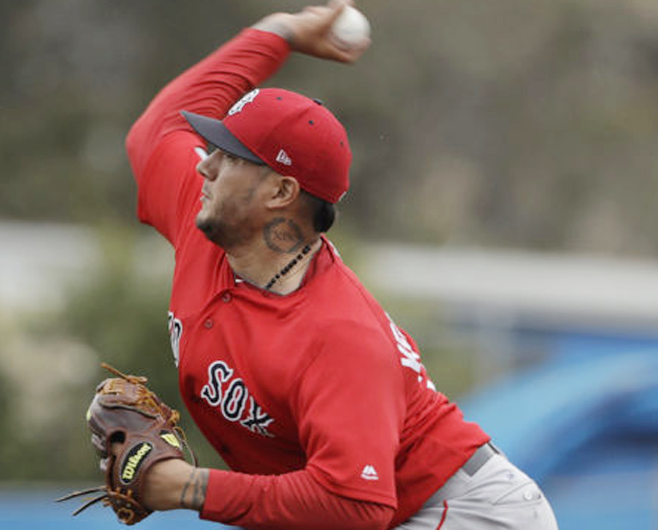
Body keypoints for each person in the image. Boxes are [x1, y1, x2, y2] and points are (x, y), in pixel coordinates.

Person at [123, 1, 559, 528]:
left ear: (282, 191)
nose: (207, 166)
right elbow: (158, 129)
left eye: (231, 156)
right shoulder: (208, 217)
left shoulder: (337, 334)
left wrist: (190, 487)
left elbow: (355, 506)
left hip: (455, 510)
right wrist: (278, 32)